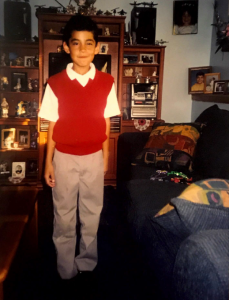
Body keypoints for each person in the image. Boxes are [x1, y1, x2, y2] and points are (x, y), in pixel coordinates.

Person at [39, 14, 120, 281]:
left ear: (97, 47)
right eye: (76, 43)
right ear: (66, 47)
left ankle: (86, 263)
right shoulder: (55, 83)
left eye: (88, 43)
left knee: (91, 212)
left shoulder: (107, 82)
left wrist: (105, 158)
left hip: (94, 158)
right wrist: (48, 162)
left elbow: (106, 123)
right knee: (63, 215)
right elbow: (52, 124)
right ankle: (65, 268)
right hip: (63, 157)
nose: (83, 50)